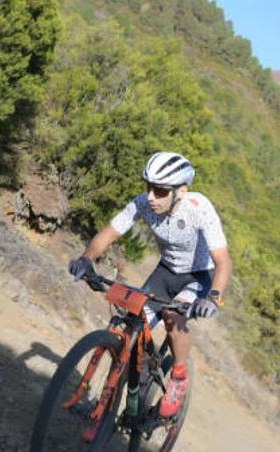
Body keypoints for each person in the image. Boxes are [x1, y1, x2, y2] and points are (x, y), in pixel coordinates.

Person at [68, 151, 233, 418]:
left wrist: (213, 298)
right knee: (130, 328)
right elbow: (110, 232)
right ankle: (110, 405)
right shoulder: (144, 203)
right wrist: (87, 259)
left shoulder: (199, 208)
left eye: (159, 190)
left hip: (198, 276)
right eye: (148, 188)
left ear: (180, 191)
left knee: (173, 314)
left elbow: (224, 261)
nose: (151, 196)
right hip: (165, 272)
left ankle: (178, 375)